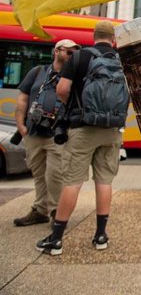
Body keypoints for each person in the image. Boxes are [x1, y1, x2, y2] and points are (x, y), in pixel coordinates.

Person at [36, 21, 124, 255]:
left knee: (72, 182)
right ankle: (101, 235)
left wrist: (73, 108)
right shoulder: (121, 58)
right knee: (104, 182)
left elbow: (62, 90)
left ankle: (56, 239)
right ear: (113, 39)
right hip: (112, 129)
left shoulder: (80, 57)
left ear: (94, 36)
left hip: (83, 127)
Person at [13, 39, 80, 226]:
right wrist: (21, 126)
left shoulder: (74, 76)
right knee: (38, 174)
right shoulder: (37, 72)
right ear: (57, 51)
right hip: (33, 132)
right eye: (69, 52)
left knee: (55, 175)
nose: (72, 56)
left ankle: (56, 213)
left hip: (56, 135)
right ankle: (40, 210)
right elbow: (22, 99)